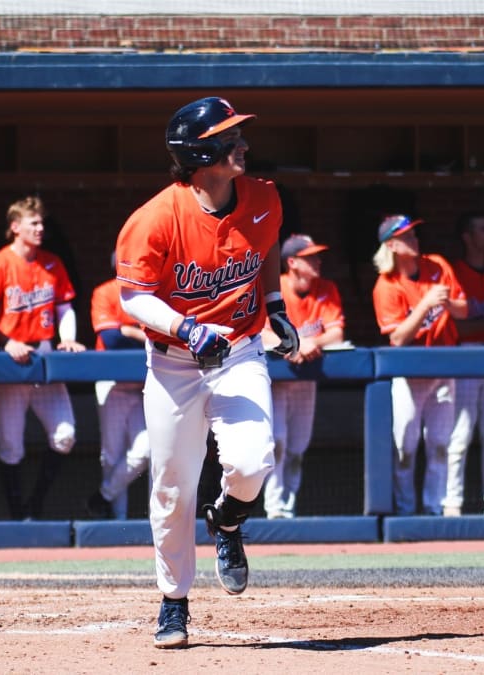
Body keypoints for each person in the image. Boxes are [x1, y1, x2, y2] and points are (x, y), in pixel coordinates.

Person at [114, 96, 297, 648]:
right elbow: (133, 298)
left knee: (253, 460)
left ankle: (227, 520)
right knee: (171, 488)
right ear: (200, 152)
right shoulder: (154, 218)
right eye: (229, 137)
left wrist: (277, 306)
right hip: (175, 364)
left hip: (239, 351)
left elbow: (263, 251)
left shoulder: (264, 196)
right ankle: (174, 603)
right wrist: (187, 329)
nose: (241, 143)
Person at [0, 195, 84, 520]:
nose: (40, 228)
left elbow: (65, 308)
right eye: (33, 223)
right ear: (15, 227)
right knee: (11, 445)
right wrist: (5, 342)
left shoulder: (52, 262)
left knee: (65, 435)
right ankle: (18, 515)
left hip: (45, 353)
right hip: (10, 358)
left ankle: (35, 503)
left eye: (41, 222)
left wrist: (67, 338)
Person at [372, 215, 467, 515]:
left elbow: (464, 310)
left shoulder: (437, 265)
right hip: (408, 374)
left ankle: (434, 508)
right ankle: (405, 510)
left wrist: (447, 304)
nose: (414, 239)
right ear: (391, 244)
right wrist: (426, 304)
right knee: (405, 448)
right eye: (406, 235)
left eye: (414, 233)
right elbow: (398, 338)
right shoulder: (386, 285)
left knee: (440, 444)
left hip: (443, 368)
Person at [261, 234, 345, 519]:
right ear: (292, 262)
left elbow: (336, 332)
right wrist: (292, 345)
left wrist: (310, 344)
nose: (317, 261)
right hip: (277, 379)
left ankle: (289, 506)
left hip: (306, 379)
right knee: (278, 442)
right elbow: (260, 331)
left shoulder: (327, 288)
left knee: (298, 446)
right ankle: (274, 508)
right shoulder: (274, 287)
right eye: (310, 257)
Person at [86, 252, 150, 520]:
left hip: (143, 385)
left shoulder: (152, 296)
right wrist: (141, 334)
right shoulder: (105, 292)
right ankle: (117, 520)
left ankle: (103, 496)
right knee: (111, 455)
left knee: (147, 451)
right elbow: (111, 339)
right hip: (111, 383)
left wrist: (129, 332)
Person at [447, 212, 484, 517]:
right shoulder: (456, 272)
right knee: (459, 435)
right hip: (464, 355)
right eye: (482, 228)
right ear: (467, 237)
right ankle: (452, 504)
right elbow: (455, 327)